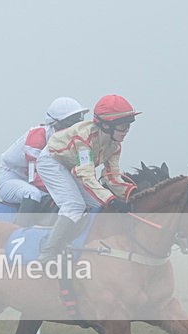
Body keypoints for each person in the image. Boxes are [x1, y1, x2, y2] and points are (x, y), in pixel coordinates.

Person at [35, 94, 140, 261]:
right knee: (74, 205)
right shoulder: (84, 138)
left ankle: (77, 243)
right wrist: (112, 199)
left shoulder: (115, 145)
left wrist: (132, 194)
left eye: (129, 126)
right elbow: (86, 175)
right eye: (123, 126)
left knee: (98, 205)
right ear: (106, 125)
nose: (127, 131)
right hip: (51, 161)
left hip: (72, 164)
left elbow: (112, 178)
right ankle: (48, 252)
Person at [0, 97, 89, 225]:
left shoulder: (76, 141)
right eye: (72, 123)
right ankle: (16, 232)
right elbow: (34, 179)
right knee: (32, 193)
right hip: (12, 179)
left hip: (35, 179)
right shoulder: (37, 137)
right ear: (56, 124)